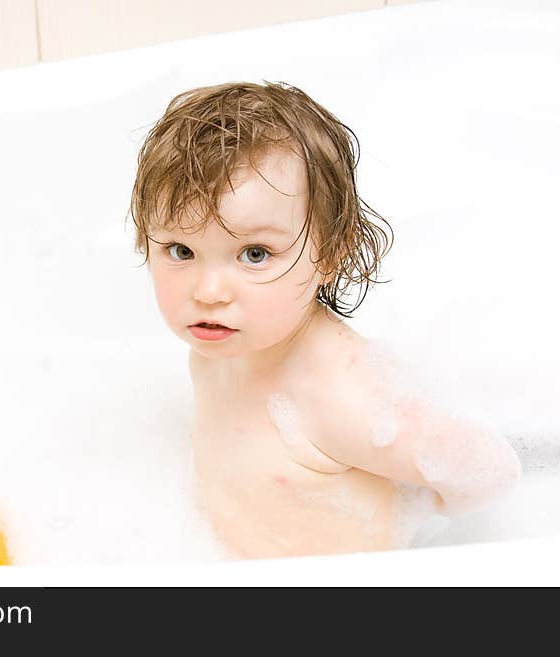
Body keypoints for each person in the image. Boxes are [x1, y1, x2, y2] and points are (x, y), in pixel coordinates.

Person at [127, 81, 521, 558]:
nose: (208, 292)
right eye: (181, 250)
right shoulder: (220, 346)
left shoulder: (338, 394)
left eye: (255, 254)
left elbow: (488, 469)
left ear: (331, 251)